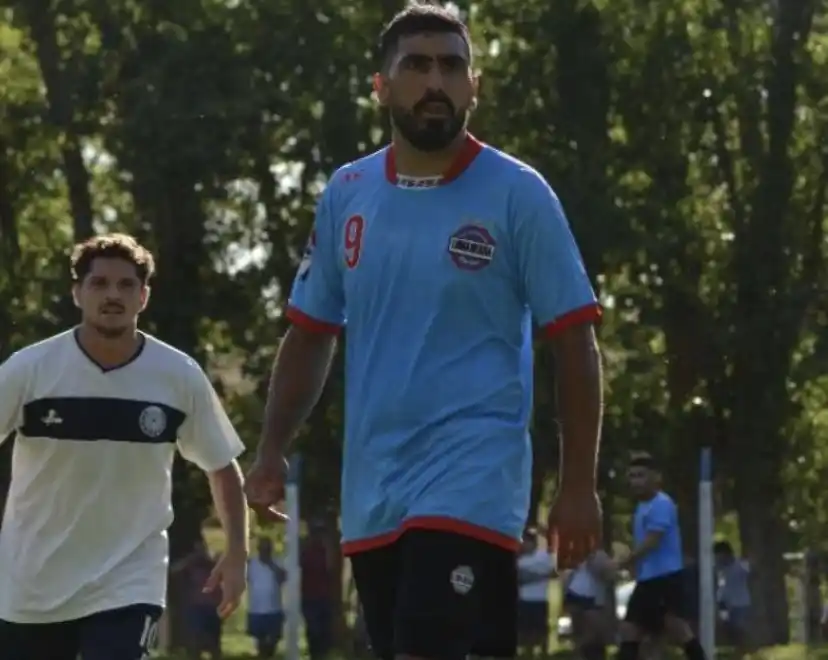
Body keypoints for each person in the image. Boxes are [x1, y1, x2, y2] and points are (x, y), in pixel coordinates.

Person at [245, 4, 604, 660]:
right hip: (374, 493)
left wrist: (578, 484)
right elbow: (311, 332)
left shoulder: (518, 194)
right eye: (415, 66)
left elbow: (574, 340)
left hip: (473, 481)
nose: (434, 81)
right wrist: (271, 450)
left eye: (451, 66)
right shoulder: (346, 193)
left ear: (474, 86)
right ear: (381, 87)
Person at [0, 233, 249, 660]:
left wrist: (238, 552)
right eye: (99, 284)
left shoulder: (178, 375)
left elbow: (221, 465)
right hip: (32, 582)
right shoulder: (29, 371)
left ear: (144, 296)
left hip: (129, 579)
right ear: (77, 293)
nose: (112, 295)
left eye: (126, 285)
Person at [609, 453, 707, 660]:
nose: (636, 481)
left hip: (665, 578)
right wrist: (634, 568)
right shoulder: (642, 506)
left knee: (675, 628)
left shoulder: (661, 504)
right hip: (649, 579)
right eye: (632, 476)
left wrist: (625, 561)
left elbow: (652, 541)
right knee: (636, 631)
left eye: (641, 475)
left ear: (656, 478)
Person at [171, 538, 224, 660]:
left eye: (202, 549)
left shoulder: (212, 564)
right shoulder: (190, 566)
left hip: (212, 607)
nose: (200, 552)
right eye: (198, 549)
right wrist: (190, 560)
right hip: (196, 607)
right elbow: (173, 570)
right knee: (195, 640)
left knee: (214, 641)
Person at [563, 550, 616, 660]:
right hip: (576, 595)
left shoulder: (600, 555)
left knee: (592, 634)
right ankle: (581, 654)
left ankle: (588, 653)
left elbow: (607, 576)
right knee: (581, 632)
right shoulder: (576, 556)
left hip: (592, 599)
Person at [516, 528, 555, 654]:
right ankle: (528, 653)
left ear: (533, 543)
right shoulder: (518, 559)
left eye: (528, 541)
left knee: (541, 630)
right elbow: (517, 578)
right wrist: (539, 576)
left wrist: (529, 576)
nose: (525, 544)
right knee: (525, 630)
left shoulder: (543, 557)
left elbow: (552, 573)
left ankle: (544, 652)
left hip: (540, 598)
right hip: (523, 599)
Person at [247, 536, 286, 658]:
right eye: (262, 548)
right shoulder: (251, 563)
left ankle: (269, 654)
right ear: (258, 549)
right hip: (256, 610)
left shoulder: (278, 561)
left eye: (267, 548)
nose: (265, 551)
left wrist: (271, 564)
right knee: (260, 642)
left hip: (274, 609)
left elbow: (283, 578)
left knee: (273, 640)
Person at [301, 519, 334, 660]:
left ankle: (322, 654)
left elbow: (331, 568)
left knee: (324, 630)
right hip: (309, 596)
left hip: (324, 596)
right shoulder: (305, 549)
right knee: (313, 629)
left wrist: (328, 548)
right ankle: (315, 654)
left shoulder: (326, 550)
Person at [714, 541, 752, 656]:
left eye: (720, 554)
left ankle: (741, 651)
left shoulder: (740, 565)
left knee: (738, 626)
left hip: (740, 603)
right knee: (725, 624)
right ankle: (731, 650)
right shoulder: (717, 566)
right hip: (723, 602)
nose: (719, 558)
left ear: (727, 553)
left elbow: (752, 572)